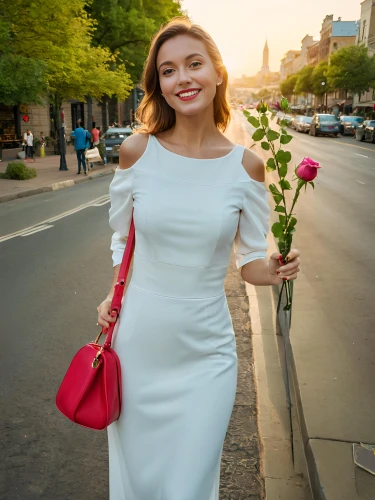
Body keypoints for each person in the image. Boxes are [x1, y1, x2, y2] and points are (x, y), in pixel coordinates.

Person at [97, 18, 301, 500]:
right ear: (159, 86)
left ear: (217, 72)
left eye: (194, 64)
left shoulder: (246, 165)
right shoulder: (136, 152)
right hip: (140, 344)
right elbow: (122, 241)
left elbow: (249, 261)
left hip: (206, 354)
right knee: (142, 483)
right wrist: (113, 291)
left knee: (189, 487)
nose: (182, 78)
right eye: (168, 70)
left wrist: (274, 270)